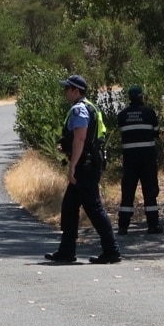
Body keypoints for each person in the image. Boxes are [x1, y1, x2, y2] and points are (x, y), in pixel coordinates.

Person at [46, 75, 121, 265]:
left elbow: (80, 138)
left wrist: (72, 167)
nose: (65, 92)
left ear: (76, 90)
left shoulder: (79, 109)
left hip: (84, 167)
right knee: (69, 207)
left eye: (67, 88)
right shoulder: (89, 107)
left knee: (94, 208)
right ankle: (66, 251)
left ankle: (111, 251)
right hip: (88, 164)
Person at [115, 83, 163, 235]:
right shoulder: (149, 113)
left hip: (129, 160)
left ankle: (123, 226)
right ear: (141, 97)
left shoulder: (122, 115)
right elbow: (156, 133)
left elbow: (122, 133)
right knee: (150, 192)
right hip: (147, 159)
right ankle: (153, 225)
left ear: (129, 98)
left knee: (127, 192)